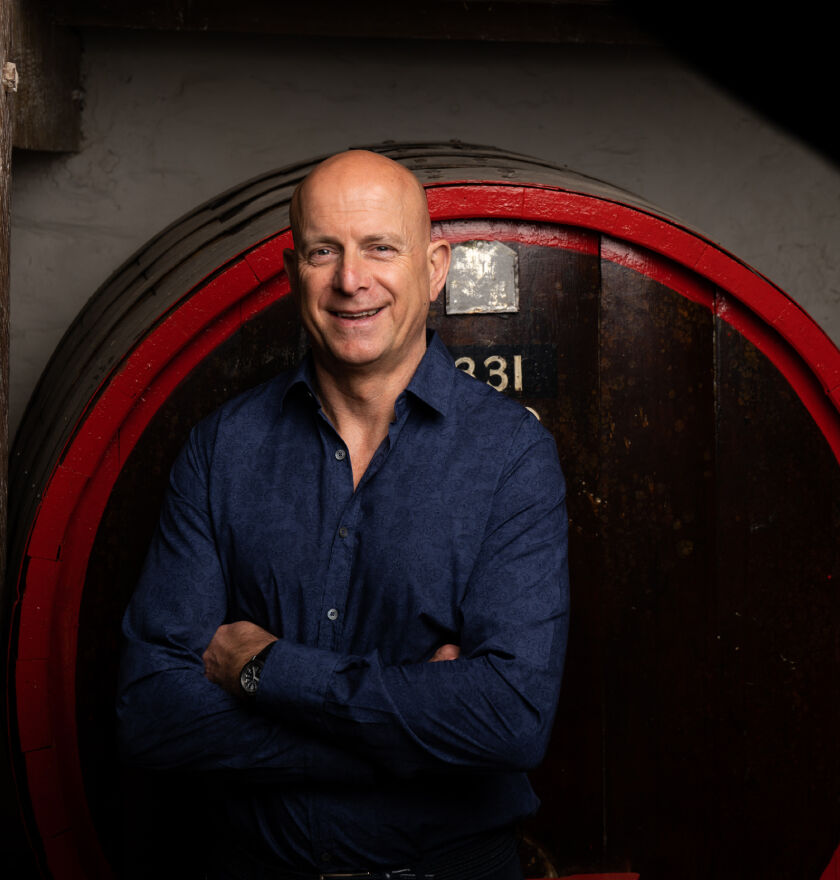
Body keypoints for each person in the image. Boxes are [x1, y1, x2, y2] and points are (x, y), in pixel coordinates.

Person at [117, 149, 569, 880]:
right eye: (324, 251)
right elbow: (151, 714)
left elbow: (509, 720)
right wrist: (405, 743)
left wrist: (266, 673)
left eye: (379, 249)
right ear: (294, 271)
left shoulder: (511, 456)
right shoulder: (223, 448)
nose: (350, 280)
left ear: (434, 267)